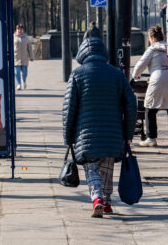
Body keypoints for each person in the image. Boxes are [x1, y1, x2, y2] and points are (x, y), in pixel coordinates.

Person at [63, 37, 136, 218]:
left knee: (91, 169)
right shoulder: (117, 74)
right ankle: (108, 202)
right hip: (113, 135)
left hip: (85, 134)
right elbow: (131, 103)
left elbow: (69, 109)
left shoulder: (77, 74)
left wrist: (68, 137)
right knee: (107, 168)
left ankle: (97, 199)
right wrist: (128, 133)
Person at [131, 25, 168, 149]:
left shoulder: (152, 49)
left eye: (150, 39)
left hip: (158, 79)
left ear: (152, 38)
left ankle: (151, 138)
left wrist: (135, 75)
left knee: (149, 108)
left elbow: (140, 65)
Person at [13, 24, 35, 90]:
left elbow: (30, 48)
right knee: (17, 72)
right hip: (16, 58)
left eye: (21, 29)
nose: (20, 30)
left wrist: (31, 57)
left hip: (24, 58)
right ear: (16, 30)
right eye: (18, 29)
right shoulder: (13, 37)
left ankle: (24, 82)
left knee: (24, 73)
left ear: (23, 30)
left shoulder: (26, 37)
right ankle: (19, 84)